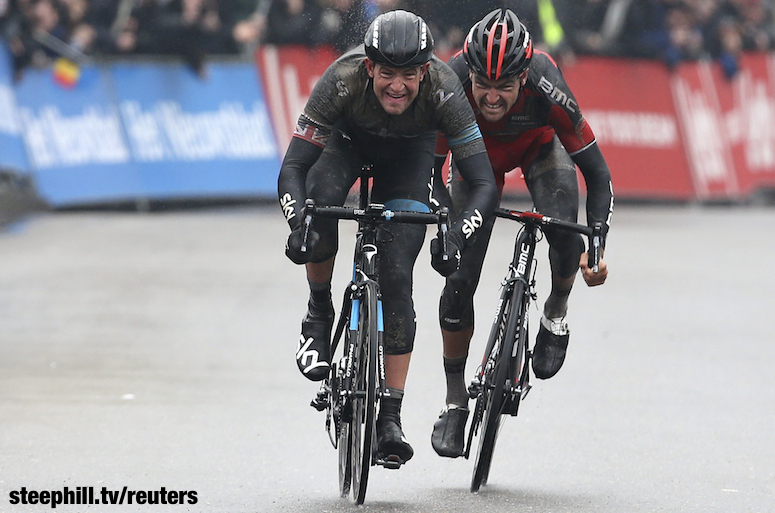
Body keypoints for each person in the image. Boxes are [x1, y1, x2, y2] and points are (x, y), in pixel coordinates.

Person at [277, 10, 499, 467]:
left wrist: (457, 233)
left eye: (408, 75)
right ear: (369, 68)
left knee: (397, 276)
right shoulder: (340, 79)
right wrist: (297, 221)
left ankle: (390, 418)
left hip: (409, 159)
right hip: (347, 141)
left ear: (424, 71)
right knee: (319, 211)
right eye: (387, 73)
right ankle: (319, 313)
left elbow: (483, 184)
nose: (396, 85)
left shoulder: (443, 89)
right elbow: (294, 168)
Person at [430, 8, 613, 458]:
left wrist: (597, 241)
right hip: (475, 165)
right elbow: (429, 170)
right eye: (483, 85)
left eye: (505, 87)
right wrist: (445, 226)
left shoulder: (546, 82)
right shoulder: (450, 81)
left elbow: (597, 171)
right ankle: (455, 402)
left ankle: (555, 310)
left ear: (524, 78)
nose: (492, 97)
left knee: (565, 230)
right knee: (458, 282)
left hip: (539, 150)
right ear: (469, 72)